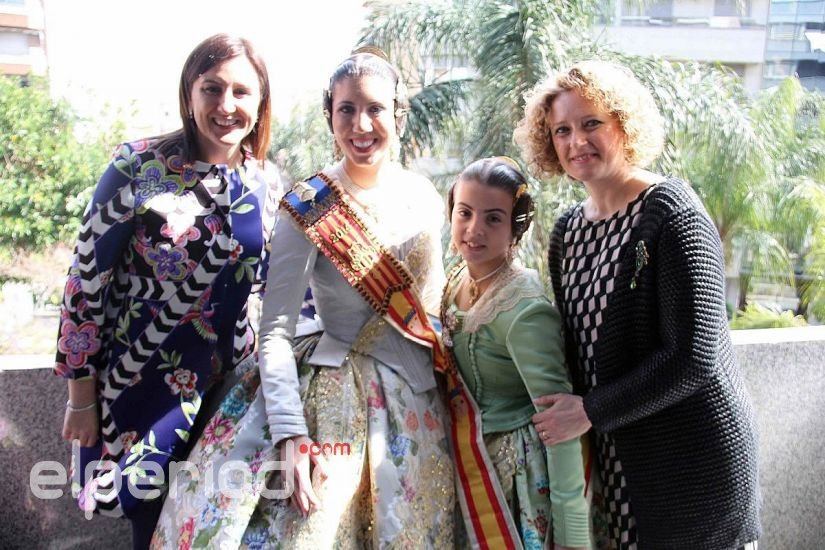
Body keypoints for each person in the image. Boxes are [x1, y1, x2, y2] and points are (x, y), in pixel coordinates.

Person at [150, 49, 454, 549]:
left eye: (376, 109)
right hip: (332, 400)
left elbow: (433, 306)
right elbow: (274, 332)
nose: (361, 124)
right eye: (346, 109)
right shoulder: (310, 204)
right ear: (329, 115)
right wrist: (290, 433)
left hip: (416, 401)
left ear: (398, 114)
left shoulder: (424, 196)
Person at [513, 60, 761, 550]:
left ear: (624, 124)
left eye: (591, 123)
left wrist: (591, 410)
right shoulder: (567, 233)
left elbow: (694, 356)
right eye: (562, 130)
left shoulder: (672, 214)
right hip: (619, 463)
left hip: (692, 466)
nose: (576, 141)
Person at [55, 33, 280, 549]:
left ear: (261, 102)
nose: (226, 105)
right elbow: (85, 281)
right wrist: (81, 397)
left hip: (230, 391)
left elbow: (273, 284)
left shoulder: (265, 182)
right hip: (144, 384)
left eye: (242, 92)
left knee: (213, 528)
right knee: (151, 524)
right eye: (212, 88)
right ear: (189, 93)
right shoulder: (138, 166)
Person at [441, 157, 590, 549]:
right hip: (467, 461)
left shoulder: (523, 308)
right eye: (464, 213)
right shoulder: (457, 279)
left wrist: (572, 537)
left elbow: (558, 422)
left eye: (493, 218)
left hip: (514, 478)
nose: (474, 229)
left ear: (515, 229)